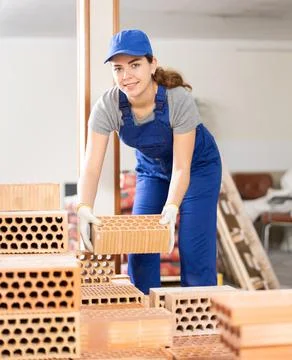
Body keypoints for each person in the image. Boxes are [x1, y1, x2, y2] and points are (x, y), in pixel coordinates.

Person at [77, 29, 222, 294]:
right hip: (152, 171)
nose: (126, 76)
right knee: (141, 243)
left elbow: (181, 167)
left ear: (152, 64)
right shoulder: (107, 106)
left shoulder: (178, 100)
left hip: (198, 168)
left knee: (193, 246)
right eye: (118, 68)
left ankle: (199, 322)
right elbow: (91, 166)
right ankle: (146, 315)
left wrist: (171, 206)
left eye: (134, 65)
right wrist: (84, 206)